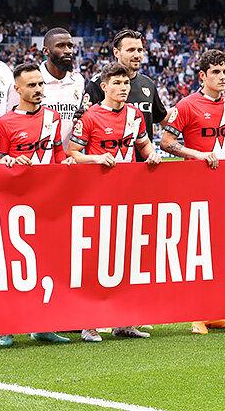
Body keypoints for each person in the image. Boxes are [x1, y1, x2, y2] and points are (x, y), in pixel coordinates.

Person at [68, 62, 160, 342]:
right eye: (117, 83)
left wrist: (152, 154)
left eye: (125, 83)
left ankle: (124, 322)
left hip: (128, 194)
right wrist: (96, 158)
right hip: (96, 195)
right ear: (104, 87)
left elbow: (143, 144)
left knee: (127, 256)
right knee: (96, 258)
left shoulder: (134, 114)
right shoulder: (90, 117)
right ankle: (89, 324)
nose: (123, 88)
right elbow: (73, 153)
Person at [0, 62, 75, 347]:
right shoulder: (5, 123)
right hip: (16, 203)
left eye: (40, 84)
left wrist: (67, 163)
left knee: (48, 265)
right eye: (32, 85)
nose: (38, 89)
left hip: (48, 203)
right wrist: (9, 161)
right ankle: (6, 327)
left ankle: (43, 326)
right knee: (14, 266)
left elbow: (59, 156)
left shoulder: (52, 118)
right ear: (18, 89)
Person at [160, 49, 225, 335]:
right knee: (197, 251)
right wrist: (197, 155)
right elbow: (166, 142)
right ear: (202, 76)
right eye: (216, 72)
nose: (222, 77)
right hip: (195, 187)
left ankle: (215, 313)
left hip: (224, 186)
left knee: (220, 250)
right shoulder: (186, 105)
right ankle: (196, 315)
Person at [83, 29, 169, 160]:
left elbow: (161, 118)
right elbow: (83, 124)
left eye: (140, 50)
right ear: (116, 52)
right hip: (108, 165)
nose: (137, 55)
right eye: (131, 50)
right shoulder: (97, 84)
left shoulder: (148, 84)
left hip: (143, 165)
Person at [39, 28, 86, 147]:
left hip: (71, 154)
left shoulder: (78, 80)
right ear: (46, 51)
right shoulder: (34, 80)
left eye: (70, 46)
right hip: (40, 153)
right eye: (60, 46)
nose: (68, 51)